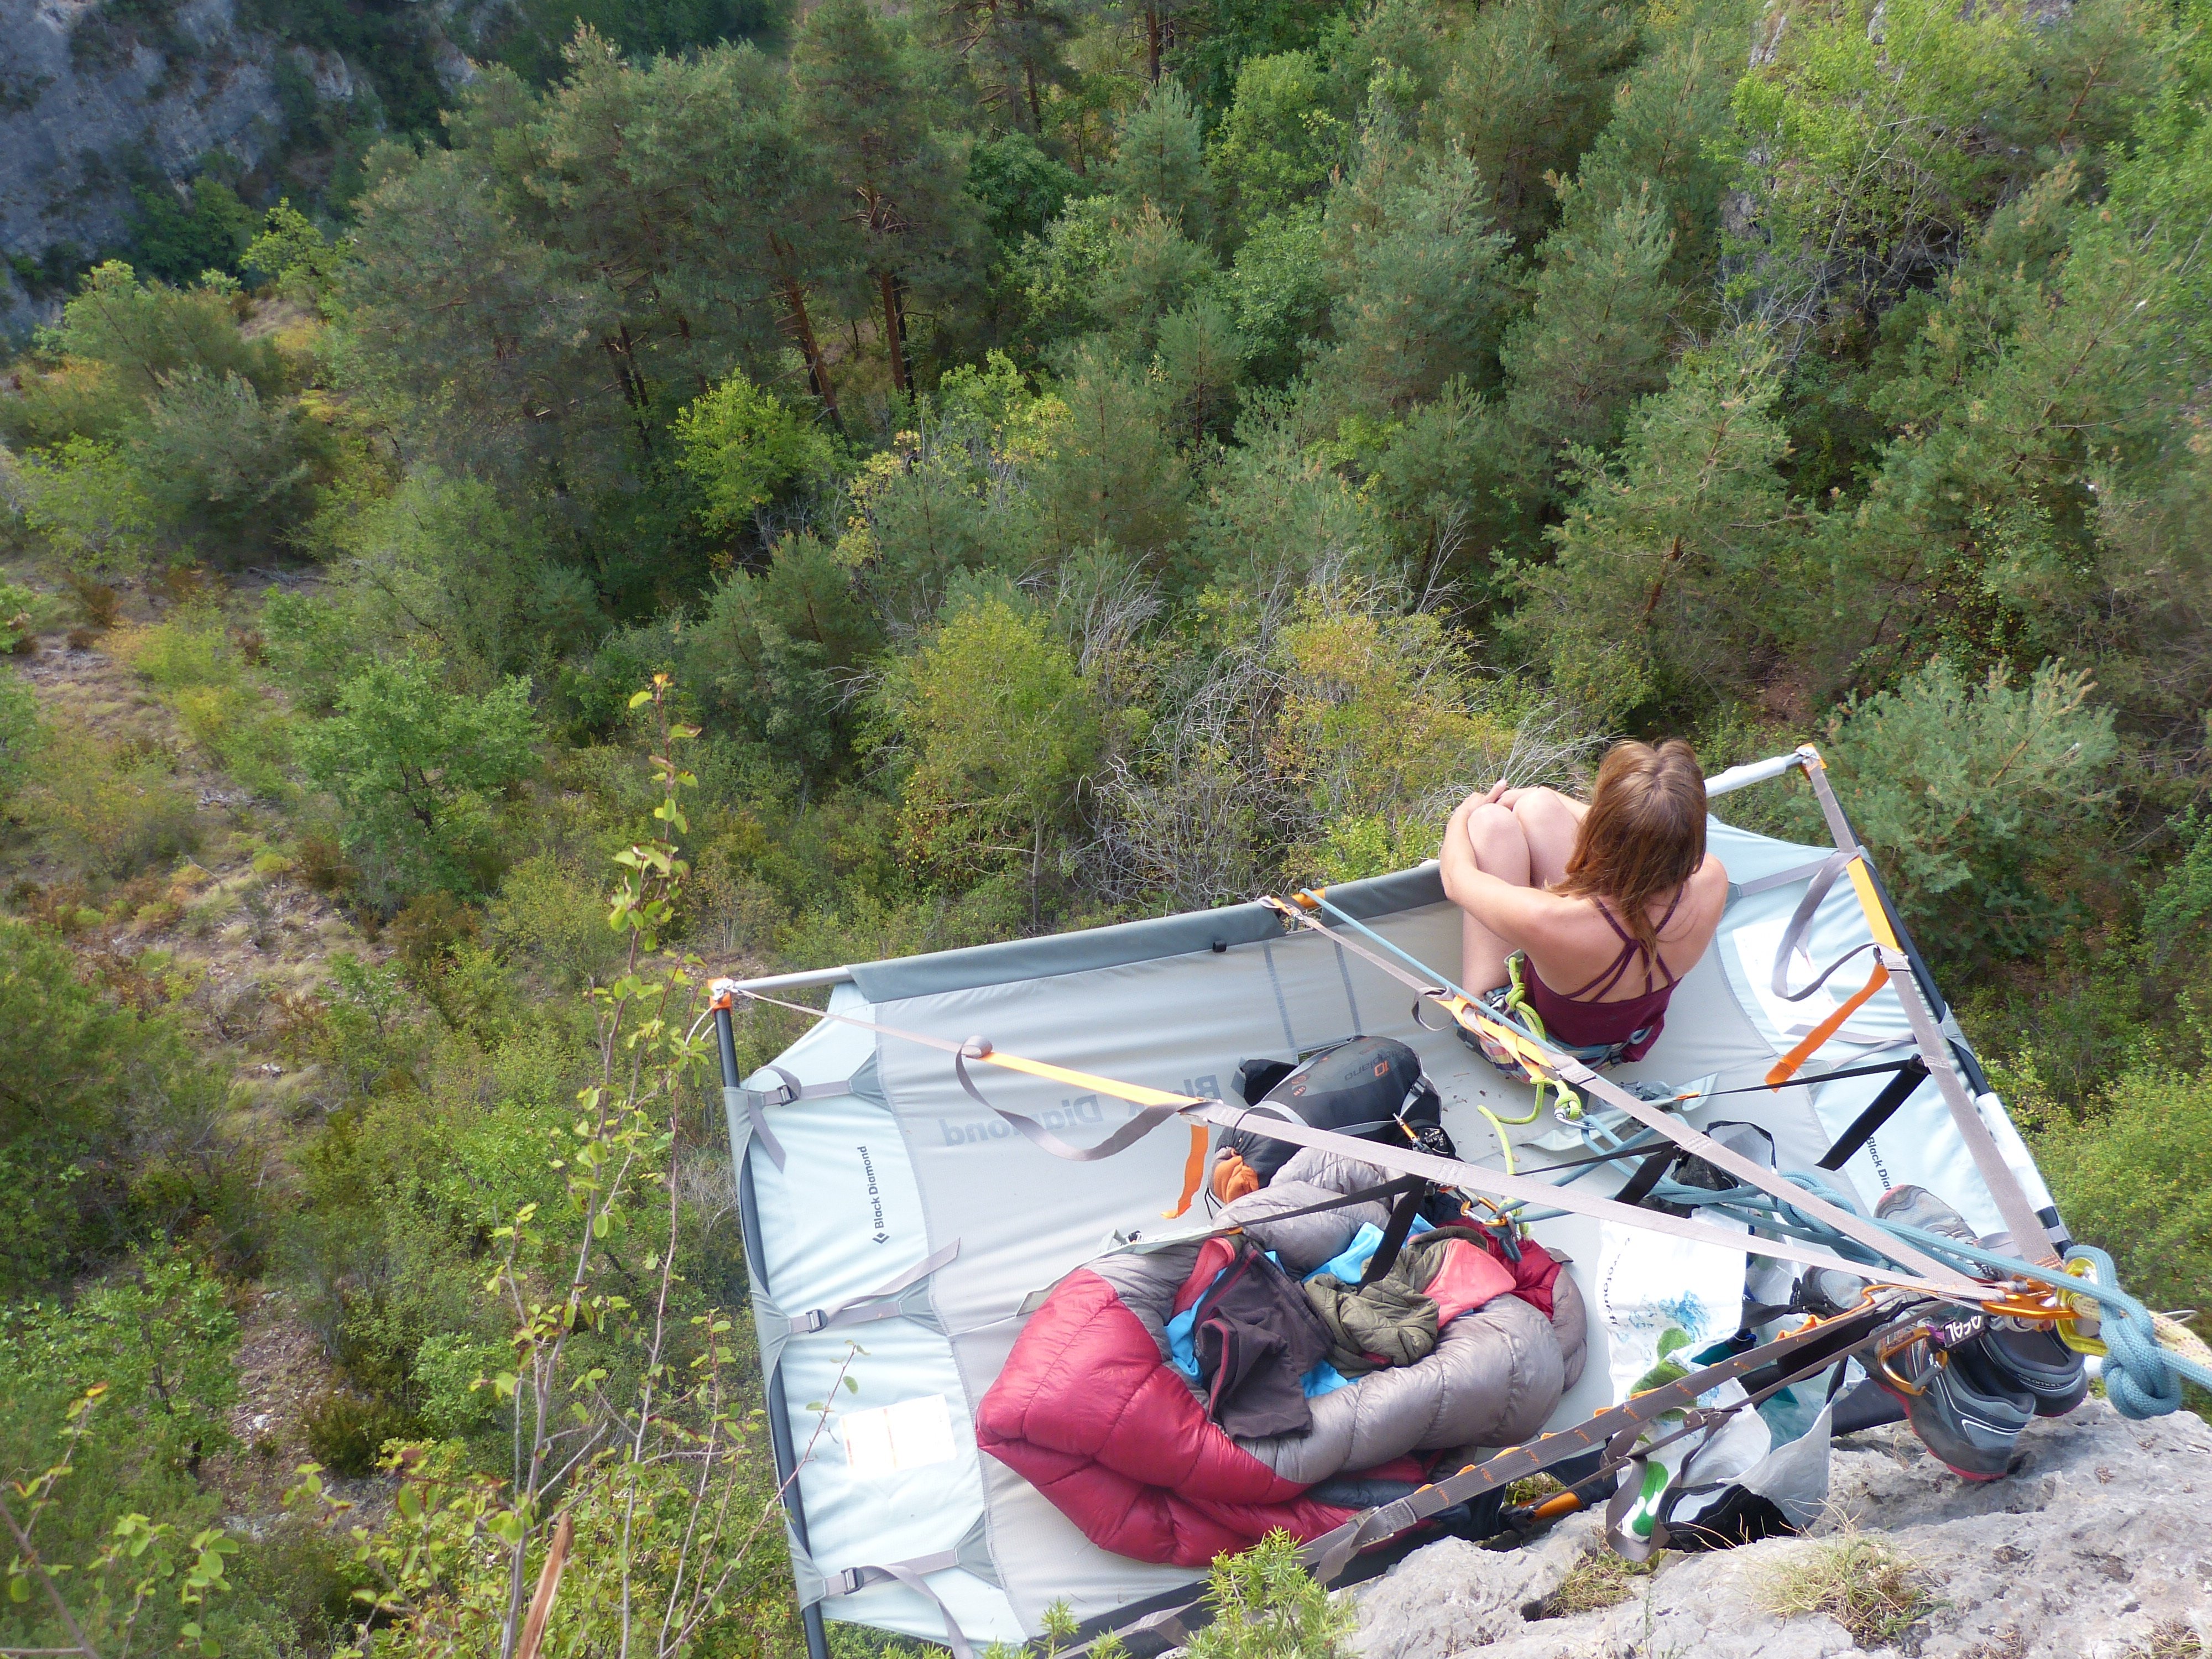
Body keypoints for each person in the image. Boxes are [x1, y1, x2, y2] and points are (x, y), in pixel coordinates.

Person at [1437, 739, 1727, 1065]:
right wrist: (1538, 793)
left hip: (1537, 1055)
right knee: (1540, 807)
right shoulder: (1713, 878)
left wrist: (1461, 816)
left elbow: (1456, 879)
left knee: (1489, 823)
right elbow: (1644, 832)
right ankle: (1538, 800)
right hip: (1629, 1039)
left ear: (1603, 827)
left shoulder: (1553, 919)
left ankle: (1483, 1006)